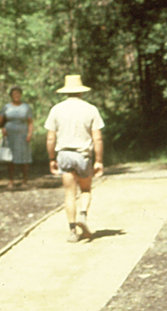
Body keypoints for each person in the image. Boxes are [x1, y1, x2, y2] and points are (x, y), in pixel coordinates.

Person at [44, 74, 104, 242]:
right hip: (83, 155)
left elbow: (50, 138)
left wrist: (51, 158)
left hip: (64, 154)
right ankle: (83, 216)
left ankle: (72, 231)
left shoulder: (56, 109)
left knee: (69, 193)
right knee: (85, 190)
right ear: (81, 91)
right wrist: (98, 160)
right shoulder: (90, 109)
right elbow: (97, 138)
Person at [0, 86, 33, 188]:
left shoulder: (26, 107)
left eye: (18, 94)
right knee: (10, 158)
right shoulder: (6, 107)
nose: (16, 96)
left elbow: (30, 122)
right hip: (10, 135)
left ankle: (25, 180)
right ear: (11, 96)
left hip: (23, 134)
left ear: (21, 95)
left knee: (24, 157)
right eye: (14, 94)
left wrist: (30, 134)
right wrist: (2, 127)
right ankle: (11, 181)